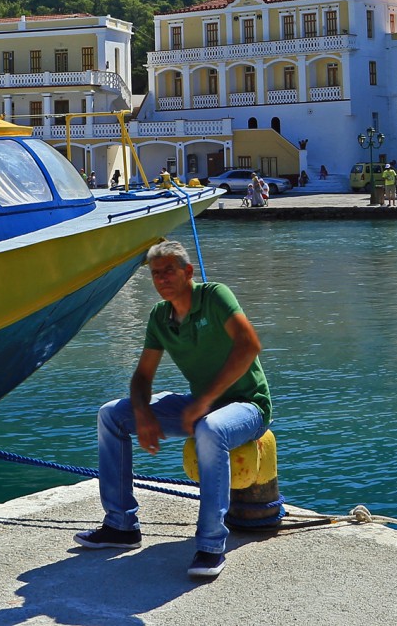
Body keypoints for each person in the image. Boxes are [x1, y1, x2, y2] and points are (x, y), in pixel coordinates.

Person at [79, 240, 271, 582]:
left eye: (169, 270)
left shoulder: (215, 297)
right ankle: (120, 525)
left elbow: (248, 345)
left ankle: (211, 544)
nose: (162, 278)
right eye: (156, 273)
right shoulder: (160, 316)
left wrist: (201, 401)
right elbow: (142, 376)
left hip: (248, 406)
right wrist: (141, 413)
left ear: (188, 272)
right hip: (203, 406)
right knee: (111, 415)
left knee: (210, 429)